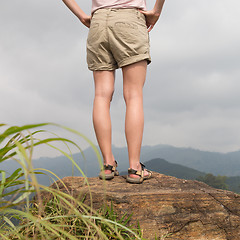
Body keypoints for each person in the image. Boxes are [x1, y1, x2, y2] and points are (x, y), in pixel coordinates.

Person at [62, 0, 165, 183]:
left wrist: (81, 15)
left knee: (101, 95)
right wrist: (156, 11)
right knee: (133, 95)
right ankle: (134, 167)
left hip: (98, 22)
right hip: (130, 19)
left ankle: (108, 165)